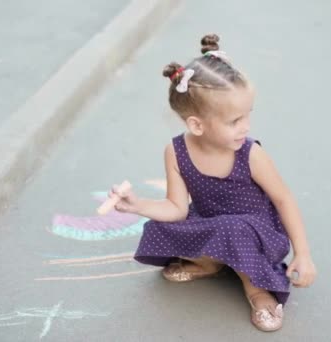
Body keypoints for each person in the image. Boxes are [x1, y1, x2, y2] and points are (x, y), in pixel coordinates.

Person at [109, 33, 316, 332]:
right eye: (234, 121)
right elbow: (176, 208)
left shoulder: (250, 153)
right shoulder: (176, 151)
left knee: (232, 229)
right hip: (211, 222)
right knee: (158, 225)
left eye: (247, 116)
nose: (245, 126)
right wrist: (137, 205)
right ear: (197, 125)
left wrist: (303, 254)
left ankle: (258, 290)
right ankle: (211, 263)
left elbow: (283, 198)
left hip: (256, 232)